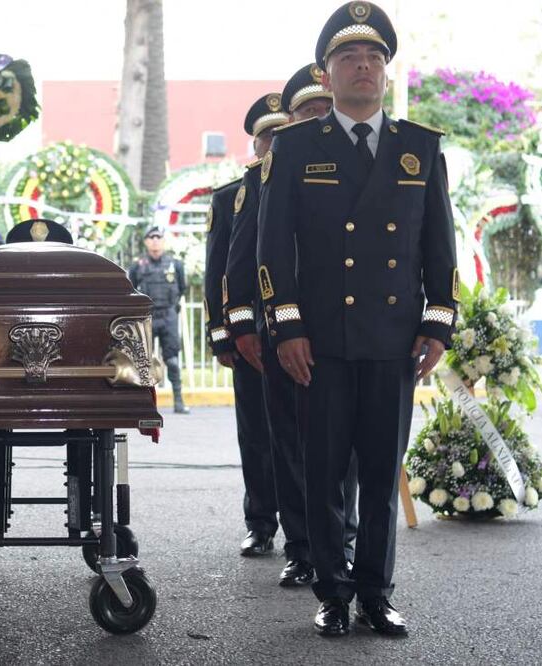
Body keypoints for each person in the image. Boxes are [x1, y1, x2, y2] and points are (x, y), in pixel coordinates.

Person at [257, 2, 457, 637]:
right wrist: (286, 327)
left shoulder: (419, 149)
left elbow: (439, 249)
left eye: (374, 57)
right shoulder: (293, 148)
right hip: (318, 343)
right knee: (323, 474)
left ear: (387, 73)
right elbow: (271, 250)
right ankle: (332, 592)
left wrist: (438, 322)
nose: (363, 66)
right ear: (327, 72)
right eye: (349, 57)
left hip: (393, 340)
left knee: (379, 470)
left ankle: (376, 590)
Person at [224, 69, 361, 587]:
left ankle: (341, 543)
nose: (320, 119)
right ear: (291, 123)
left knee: (345, 447)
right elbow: (238, 264)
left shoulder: (361, 170)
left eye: (327, 109)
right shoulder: (267, 174)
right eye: (308, 112)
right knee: (290, 444)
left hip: (347, 331)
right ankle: (302, 549)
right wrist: (243, 330)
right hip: (283, 332)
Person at [204, 94, 286, 557]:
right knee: (256, 432)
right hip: (250, 337)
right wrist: (223, 336)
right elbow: (217, 271)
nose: (273, 144)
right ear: (254, 146)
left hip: (296, 333)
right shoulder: (230, 197)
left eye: (280, 135)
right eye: (266, 138)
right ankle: (260, 521)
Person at [128, 227, 189, 414]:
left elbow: (182, 288)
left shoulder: (175, 264)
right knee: (143, 361)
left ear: (163, 241)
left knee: (172, 360)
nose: (155, 241)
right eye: (151, 237)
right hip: (147, 316)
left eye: (158, 237)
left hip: (168, 315)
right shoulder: (138, 265)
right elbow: (131, 289)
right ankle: (143, 403)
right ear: (146, 242)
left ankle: (178, 401)